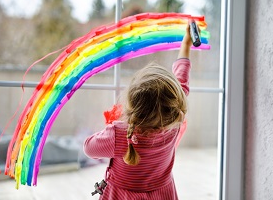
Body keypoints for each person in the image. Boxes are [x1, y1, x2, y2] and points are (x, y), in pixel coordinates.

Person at [83, 21, 194, 200]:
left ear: (132, 106)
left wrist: (112, 125)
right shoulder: (173, 119)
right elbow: (182, 79)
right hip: (162, 194)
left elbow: (89, 148)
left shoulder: (119, 135)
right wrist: (185, 45)